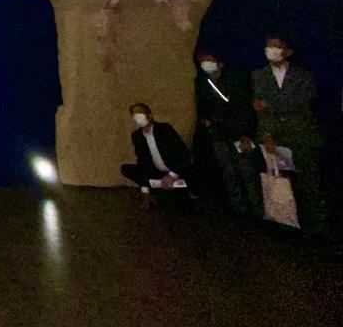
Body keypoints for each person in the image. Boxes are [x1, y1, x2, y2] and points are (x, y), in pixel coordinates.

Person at [252, 36, 325, 231]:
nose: (271, 50)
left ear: (288, 51)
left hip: (301, 136)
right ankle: (287, 222)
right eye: (268, 46)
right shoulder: (259, 75)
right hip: (276, 138)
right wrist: (266, 135)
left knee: (309, 182)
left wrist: (269, 104)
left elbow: (302, 102)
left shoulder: (303, 76)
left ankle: (316, 225)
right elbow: (261, 111)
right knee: (283, 183)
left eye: (276, 46)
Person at [194, 51, 261, 218]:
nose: (205, 64)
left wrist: (246, 135)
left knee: (247, 172)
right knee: (229, 173)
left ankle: (257, 210)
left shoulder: (234, 80)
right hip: (218, 135)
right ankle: (238, 210)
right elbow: (203, 106)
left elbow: (243, 108)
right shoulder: (202, 82)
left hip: (238, 134)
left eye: (209, 60)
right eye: (202, 61)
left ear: (219, 62)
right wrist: (207, 122)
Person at [120, 103, 192, 207]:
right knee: (127, 168)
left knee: (172, 202)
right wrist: (145, 189)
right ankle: (159, 188)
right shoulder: (137, 135)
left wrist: (172, 175)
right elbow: (143, 161)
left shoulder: (165, 129)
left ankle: (174, 190)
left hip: (176, 172)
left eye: (140, 114)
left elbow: (183, 153)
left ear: (150, 115)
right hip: (157, 174)